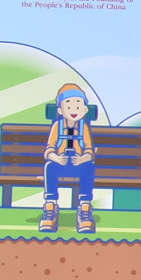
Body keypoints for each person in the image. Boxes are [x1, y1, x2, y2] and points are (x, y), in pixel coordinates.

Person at [39, 84, 96, 235]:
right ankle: (50, 207)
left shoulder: (84, 128)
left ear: (84, 110)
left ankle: (84, 209)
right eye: (69, 106)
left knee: (89, 167)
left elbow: (90, 151)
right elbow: (49, 150)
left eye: (78, 106)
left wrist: (82, 158)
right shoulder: (57, 126)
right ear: (60, 110)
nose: (74, 110)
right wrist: (57, 158)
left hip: (79, 164)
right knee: (49, 167)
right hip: (60, 164)